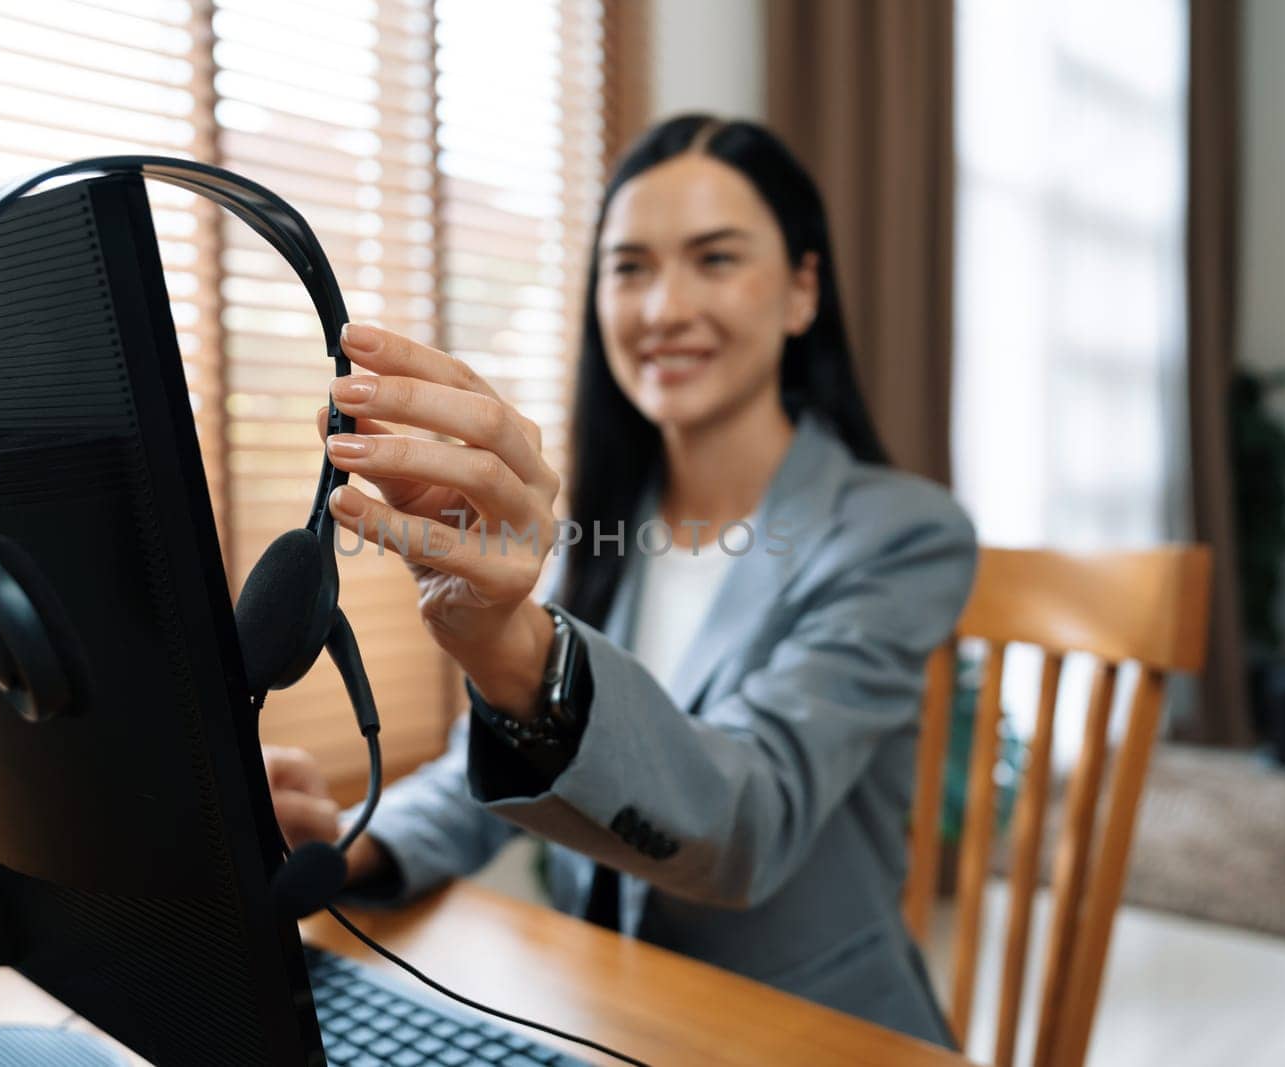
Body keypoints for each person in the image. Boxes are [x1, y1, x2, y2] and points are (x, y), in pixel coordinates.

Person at [263, 114, 976, 1048]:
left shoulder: (899, 532)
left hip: (812, 1035)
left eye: (715, 259)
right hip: (611, 1021)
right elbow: (497, 773)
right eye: (629, 266)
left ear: (804, 291)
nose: (662, 308)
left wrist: (517, 653)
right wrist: (355, 840)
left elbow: (747, 821)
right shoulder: (599, 524)